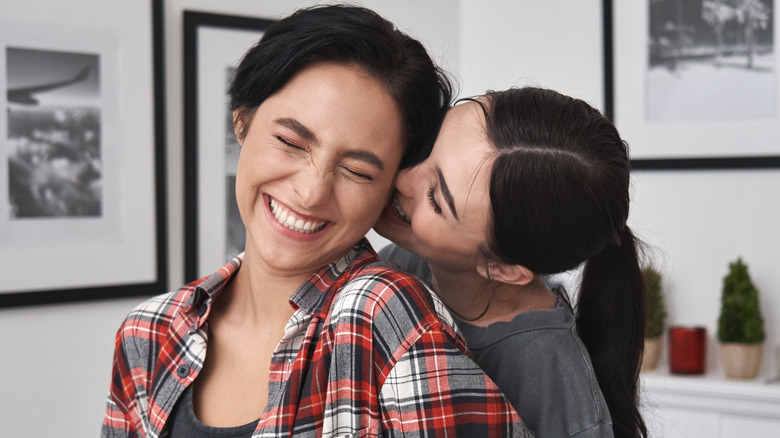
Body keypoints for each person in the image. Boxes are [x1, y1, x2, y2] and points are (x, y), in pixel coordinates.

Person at [101, 5, 532, 438]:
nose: (311, 192)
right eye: (290, 141)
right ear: (242, 120)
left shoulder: (380, 314)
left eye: (358, 172)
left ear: (388, 194)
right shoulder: (148, 332)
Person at [375, 87, 648, 438]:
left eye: (436, 199)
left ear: (504, 269)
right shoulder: (399, 269)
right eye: (429, 145)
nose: (401, 175)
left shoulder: (553, 384)